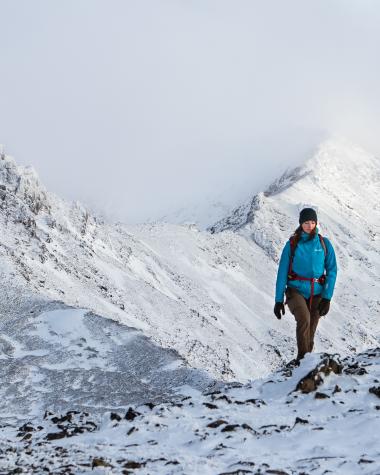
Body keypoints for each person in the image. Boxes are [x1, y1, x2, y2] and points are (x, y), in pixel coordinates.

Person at [274, 208, 337, 360]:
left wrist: (327, 297)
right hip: (296, 290)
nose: (310, 226)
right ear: (301, 224)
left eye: (313, 222)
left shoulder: (324, 244)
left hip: (317, 292)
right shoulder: (292, 244)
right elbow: (282, 272)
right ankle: (302, 359)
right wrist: (278, 300)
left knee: (312, 326)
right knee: (304, 319)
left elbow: (332, 270)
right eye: (306, 222)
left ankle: (307, 361)